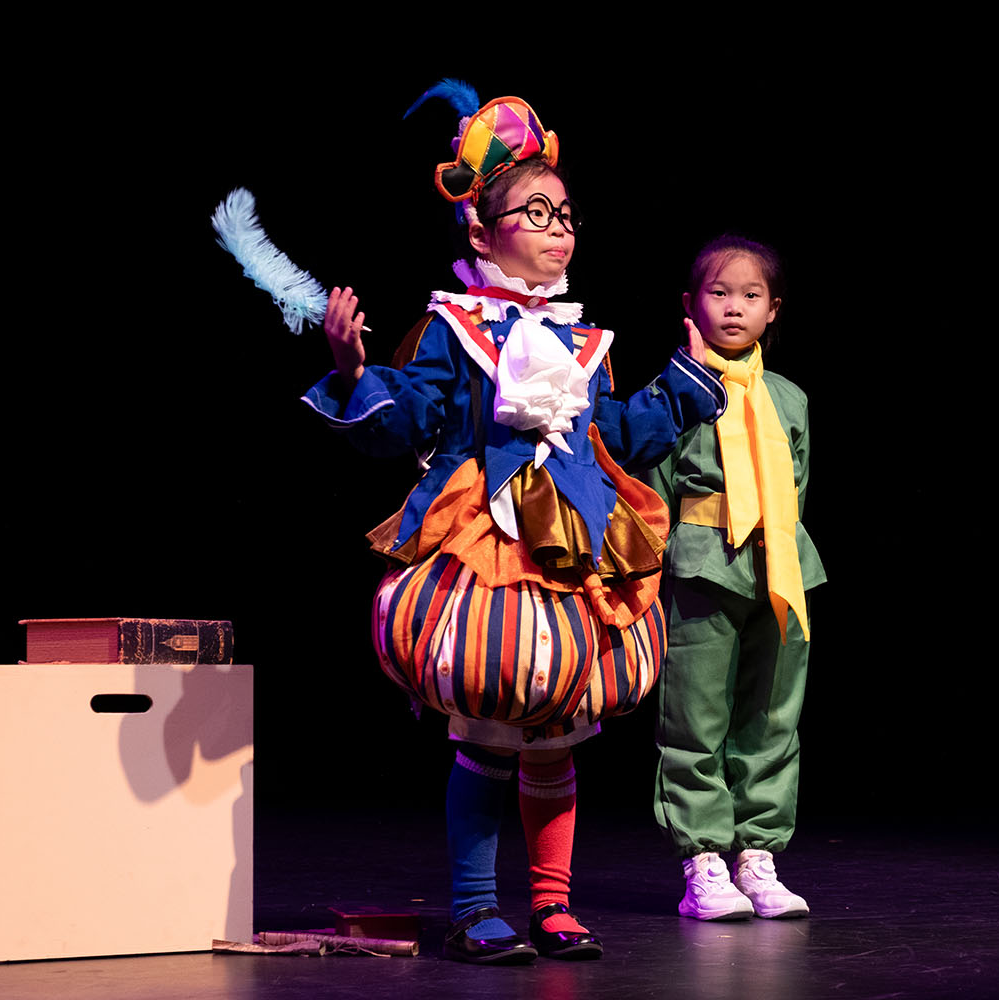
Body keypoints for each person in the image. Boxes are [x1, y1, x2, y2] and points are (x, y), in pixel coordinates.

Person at [302, 85, 726, 963]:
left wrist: (684, 382)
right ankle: (471, 906)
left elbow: (615, 438)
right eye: (534, 212)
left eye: (564, 212)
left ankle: (553, 904)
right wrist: (353, 370)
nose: (557, 228)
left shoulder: (583, 343)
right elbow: (407, 426)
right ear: (480, 232)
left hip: (575, 542)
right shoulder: (452, 331)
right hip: (488, 547)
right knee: (491, 735)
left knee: (559, 736)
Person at [648, 235, 826, 921]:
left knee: (772, 718)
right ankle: (703, 860)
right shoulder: (674, 389)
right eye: (719, 293)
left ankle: (759, 854)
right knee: (695, 716)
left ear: (773, 309)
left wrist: (776, 545)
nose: (734, 308)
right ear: (690, 304)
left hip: (780, 567)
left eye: (750, 296)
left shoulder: (790, 398)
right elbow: (654, 486)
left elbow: (799, 482)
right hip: (702, 563)